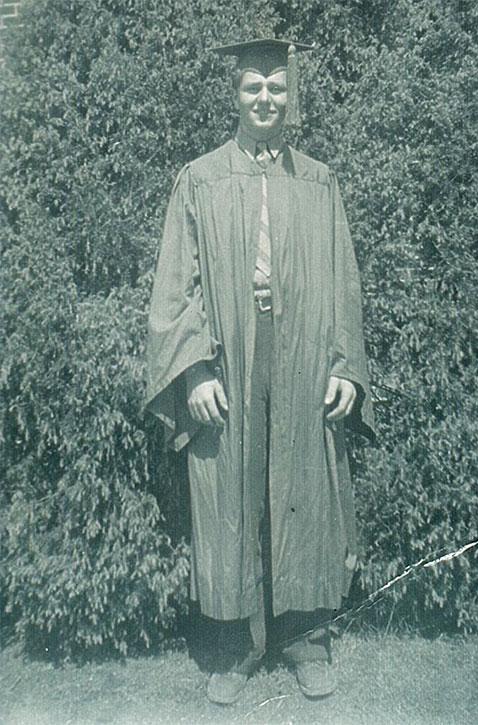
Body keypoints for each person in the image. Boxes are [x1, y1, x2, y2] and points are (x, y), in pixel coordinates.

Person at [145, 38, 375, 704]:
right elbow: (175, 287)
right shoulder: (199, 178)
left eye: (276, 87)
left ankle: (306, 639)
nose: (265, 98)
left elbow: (343, 282)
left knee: (306, 482)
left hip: (302, 346)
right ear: (235, 96)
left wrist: (343, 364)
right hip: (228, 349)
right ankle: (236, 646)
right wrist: (194, 372)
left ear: (290, 95)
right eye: (253, 87)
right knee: (231, 490)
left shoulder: (319, 180)